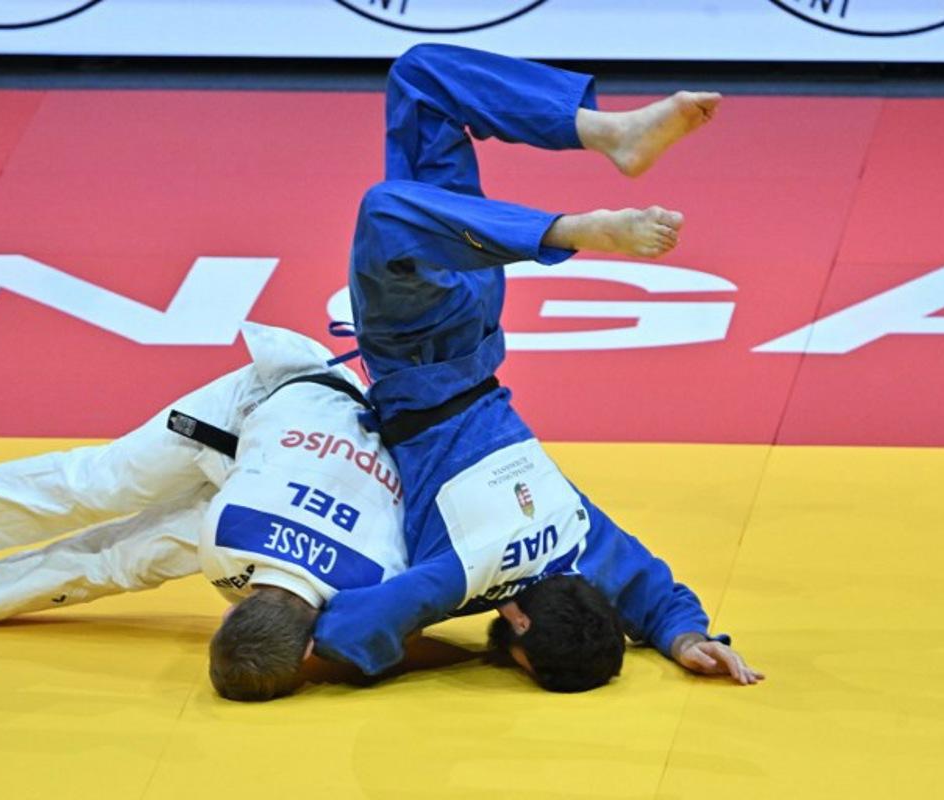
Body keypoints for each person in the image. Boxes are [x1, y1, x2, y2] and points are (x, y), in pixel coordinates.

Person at [312, 44, 763, 689]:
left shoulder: (578, 536)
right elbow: (343, 633)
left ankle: (608, 133)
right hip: (414, 351)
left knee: (422, 78)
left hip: (473, 325)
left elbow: (656, 595)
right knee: (386, 212)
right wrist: (433, 627)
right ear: (520, 628)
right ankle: (578, 226)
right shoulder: (461, 574)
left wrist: (689, 637)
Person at [0, 323, 409, 701]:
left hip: (283, 465)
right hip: (258, 407)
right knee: (106, 482)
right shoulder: (248, 540)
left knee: (133, 552)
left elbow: (129, 558)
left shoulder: (382, 579)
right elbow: (125, 556)